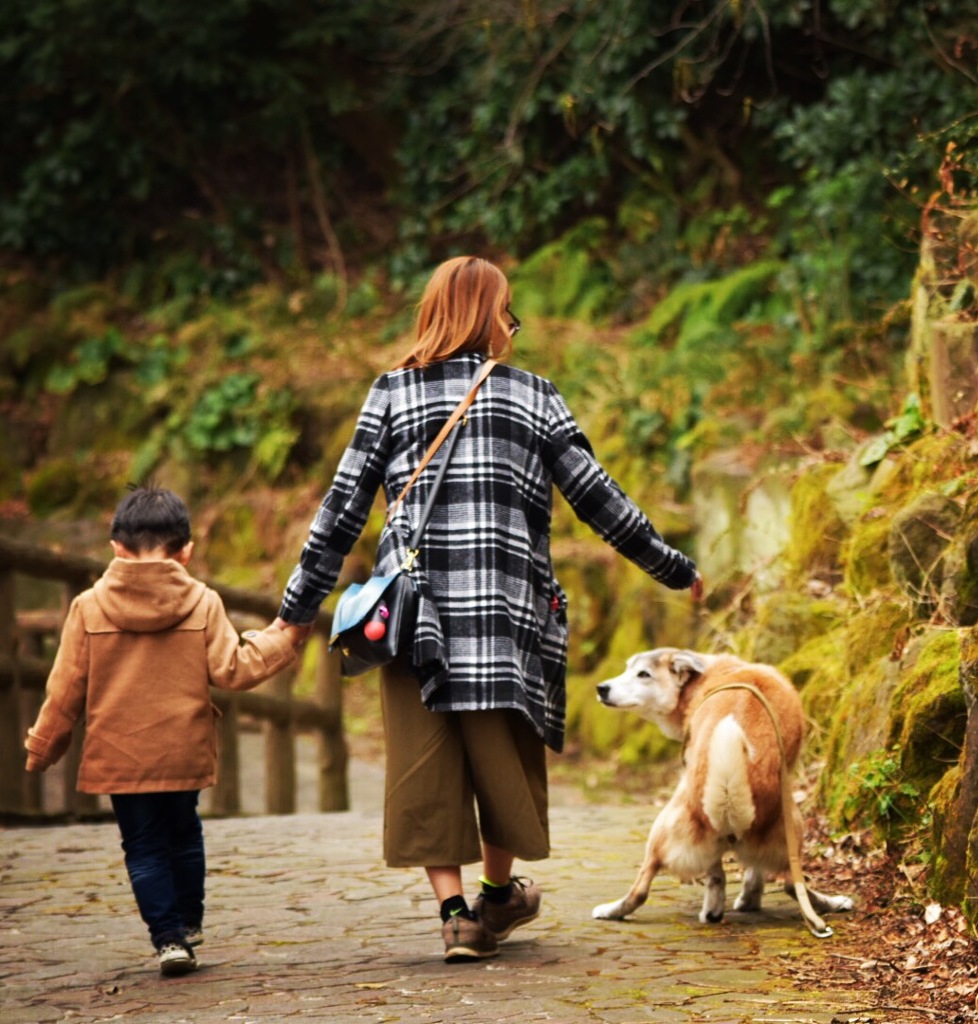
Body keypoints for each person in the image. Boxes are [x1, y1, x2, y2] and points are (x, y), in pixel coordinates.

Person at [275, 255, 703, 963]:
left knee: (423, 762)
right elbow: (600, 500)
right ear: (486, 315)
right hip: (507, 618)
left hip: (412, 621)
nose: (513, 322)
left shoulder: (391, 394)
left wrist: (297, 610)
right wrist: (672, 568)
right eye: (507, 309)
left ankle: (455, 917)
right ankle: (497, 894)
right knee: (505, 759)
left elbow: (340, 512)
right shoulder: (534, 396)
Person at [24, 486, 305, 976]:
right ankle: (189, 919)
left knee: (143, 846)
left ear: (116, 547)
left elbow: (65, 688)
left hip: (118, 754)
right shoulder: (203, 601)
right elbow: (234, 670)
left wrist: (43, 748)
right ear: (186, 551)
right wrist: (279, 642)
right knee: (184, 832)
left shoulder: (88, 608)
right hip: (183, 749)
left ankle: (169, 938)